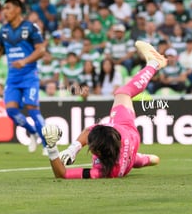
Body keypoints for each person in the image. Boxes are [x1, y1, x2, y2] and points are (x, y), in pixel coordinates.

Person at [41, 41, 166, 179]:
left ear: (99, 152)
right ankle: (153, 64)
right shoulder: (114, 133)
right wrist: (72, 150)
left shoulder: (103, 172)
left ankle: (146, 159)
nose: (89, 146)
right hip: (127, 130)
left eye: (91, 145)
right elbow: (90, 131)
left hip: (128, 146)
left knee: (139, 160)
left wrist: (53, 148)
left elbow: (62, 174)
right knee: (123, 93)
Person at [0, 0, 47, 155]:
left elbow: (41, 50)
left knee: (32, 109)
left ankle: (47, 145)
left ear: (18, 9)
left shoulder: (30, 27)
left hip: (29, 76)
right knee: (11, 111)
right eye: (3, 8)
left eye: (8, 7)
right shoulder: (3, 31)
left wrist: (24, 61)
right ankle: (32, 132)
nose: (4, 11)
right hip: (13, 78)